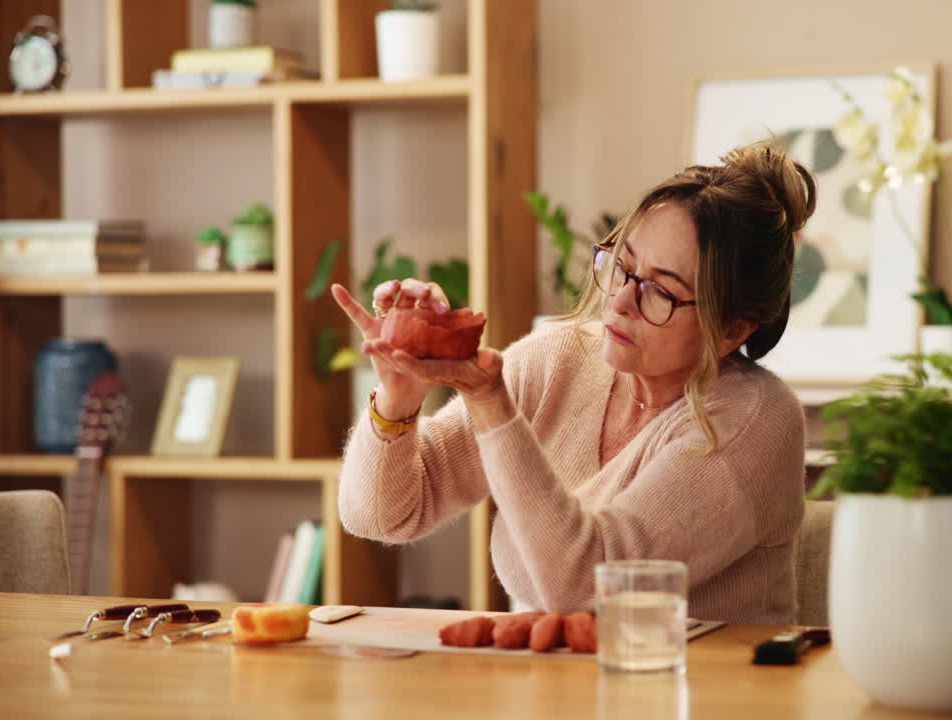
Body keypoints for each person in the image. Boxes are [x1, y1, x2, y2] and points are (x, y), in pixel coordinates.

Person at [331, 141, 816, 623]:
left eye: (661, 293)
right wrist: (398, 397)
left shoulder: (755, 421)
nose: (622, 302)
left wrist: (491, 403)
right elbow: (381, 515)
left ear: (733, 330)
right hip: (552, 689)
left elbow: (585, 584)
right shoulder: (560, 358)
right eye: (623, 266)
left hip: (701, 692)